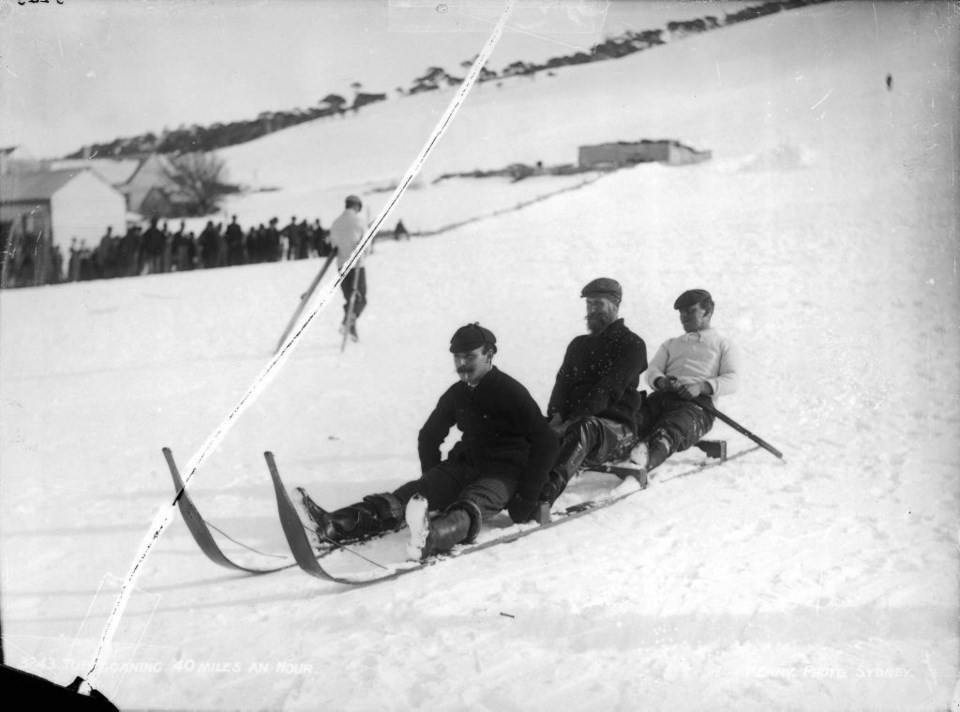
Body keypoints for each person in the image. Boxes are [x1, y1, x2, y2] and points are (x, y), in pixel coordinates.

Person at [300, 323, 558, 559]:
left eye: (470, 356)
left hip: (504, 472)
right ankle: (335, 524)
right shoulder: (458, 393)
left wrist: (528, 494)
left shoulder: (510, 391)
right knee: (408, 496)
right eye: (457, 357)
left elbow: (546, 442)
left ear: (489, 355)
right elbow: (429, 435)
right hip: (465, 464)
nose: (462, 363)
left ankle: (430, 538)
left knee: (472, 503)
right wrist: (432, 479)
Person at [539, 277, 648, 505]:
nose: (591, 310)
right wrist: (557, 415)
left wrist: (572, 422)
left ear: (615, 305)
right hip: (573, 423)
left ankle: (544, 495)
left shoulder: (632, 345)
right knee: (529, 424)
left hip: (616, 430)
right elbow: (562, 384)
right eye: (589, 304)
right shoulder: (578, 344)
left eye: (598, 304)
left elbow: (608, 390)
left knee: (584, 427)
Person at [625, 288, 741, 482]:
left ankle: (643, 463)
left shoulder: (723, 345)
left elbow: (733, 380)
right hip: (662, 397)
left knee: (671, 429)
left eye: (690, 311)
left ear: (707, 311)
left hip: (697, 406)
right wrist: (662, 382)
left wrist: (701, 387)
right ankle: (609, 451)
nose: (684, 317)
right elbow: (652, 370)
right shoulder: (671, 344)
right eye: (681, 313)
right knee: (633, 420)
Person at [328, 194, 368, 341]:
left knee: (349, 298)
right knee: (360, 299)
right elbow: (366, 247)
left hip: (341, 265)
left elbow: (333, 246)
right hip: (357, 265)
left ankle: (350, 327)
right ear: (357, 206)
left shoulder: (336, 223)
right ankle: (347, 323)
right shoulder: (360, 221)